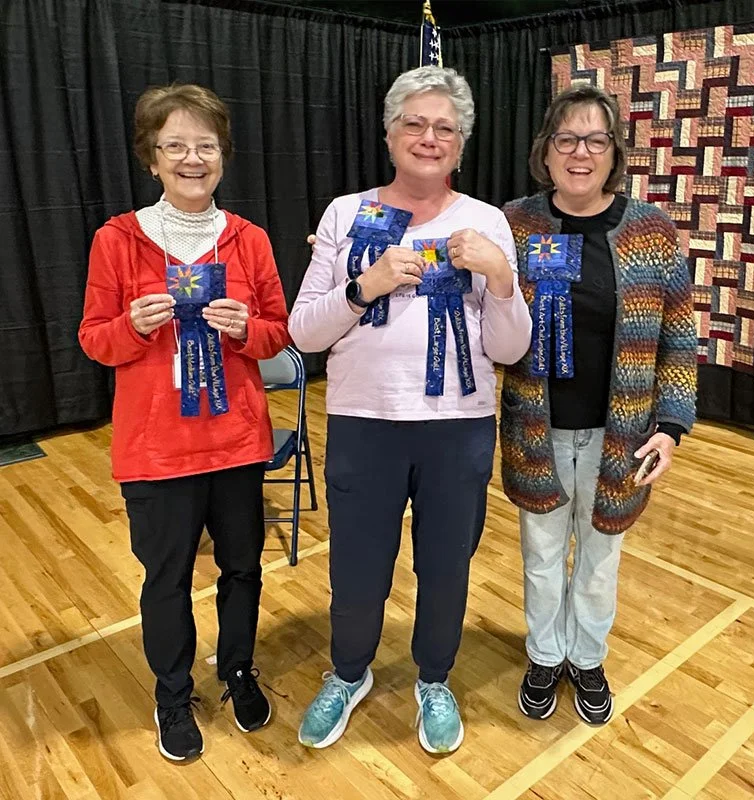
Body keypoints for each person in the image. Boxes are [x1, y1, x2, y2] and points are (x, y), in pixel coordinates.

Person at [289, 66, 531, 754]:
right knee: (358, 565)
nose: (429, 137)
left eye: (445, 128)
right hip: (365, 423)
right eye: (415, 124)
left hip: (458, 429)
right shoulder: (346, 213)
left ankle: (434, 679)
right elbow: (303, 331)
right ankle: (348, 673)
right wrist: (363, 287)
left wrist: (503, 278)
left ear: (461, 143)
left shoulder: (487, 222)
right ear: (390, 132)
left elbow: (509, 347)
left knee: (447, 564)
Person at [79, 84, 290, 761]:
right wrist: (131, 327)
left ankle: (236, 669)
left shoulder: (249, 241)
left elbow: (278, 334)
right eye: (176, 145)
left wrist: (247, 329)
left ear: (222, 156)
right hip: (157, 450)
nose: (192, 157)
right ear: (152, 157)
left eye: (205, 145)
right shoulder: (118, 240)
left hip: (235, 442)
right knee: (165, 580)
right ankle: (173, 693)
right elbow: (93, 339)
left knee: (242, 569)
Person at [500, 84, 697, 725]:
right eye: (567, 138)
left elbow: (678, 336)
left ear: (614, 153)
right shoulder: (513, 224)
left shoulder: (652, 232)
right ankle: (543, 654)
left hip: (623, 435)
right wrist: (349, 258)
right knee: (541, 556)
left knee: (600, 556)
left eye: (596, 139)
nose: (580, 152)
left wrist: (670, 426)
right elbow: (462, 291)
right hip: (539, 429)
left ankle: (587, 659)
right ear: (546, 152)